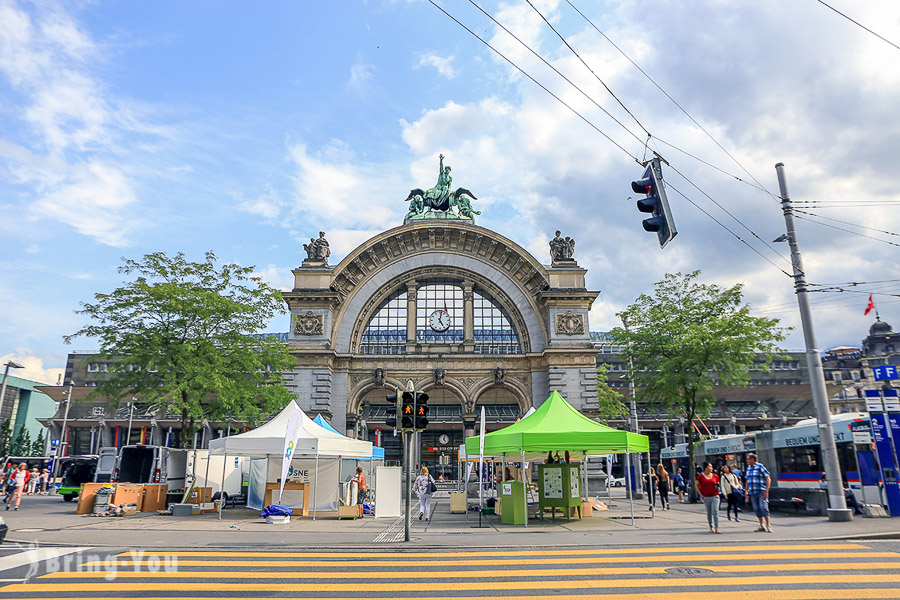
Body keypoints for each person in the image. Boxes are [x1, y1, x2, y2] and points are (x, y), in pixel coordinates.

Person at [744, 453, 772, 533]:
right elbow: (747, 480)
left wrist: (767, 490)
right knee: (756, 509)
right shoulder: (748, 468)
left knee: (763, 507)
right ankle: (762, 525)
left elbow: (768, 478)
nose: (747, 460)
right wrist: (746, 490)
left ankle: (768, 525)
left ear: (752, 459)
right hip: (753, 491)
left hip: (761, 491)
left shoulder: (760, 466)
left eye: (748, 459)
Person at [697, 462, 721, 533]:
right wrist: (701, 494)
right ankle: (711, 527)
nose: (710, 468)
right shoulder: (701, 476)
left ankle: (717, 528)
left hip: (715, 496)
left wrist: (718, 487)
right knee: (709, 512)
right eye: (709, 467)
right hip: (706, 497)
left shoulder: (715, 476)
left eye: (711, 467)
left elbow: (718, 485)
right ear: (705, 468)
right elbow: (696, 485)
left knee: (715, 511)